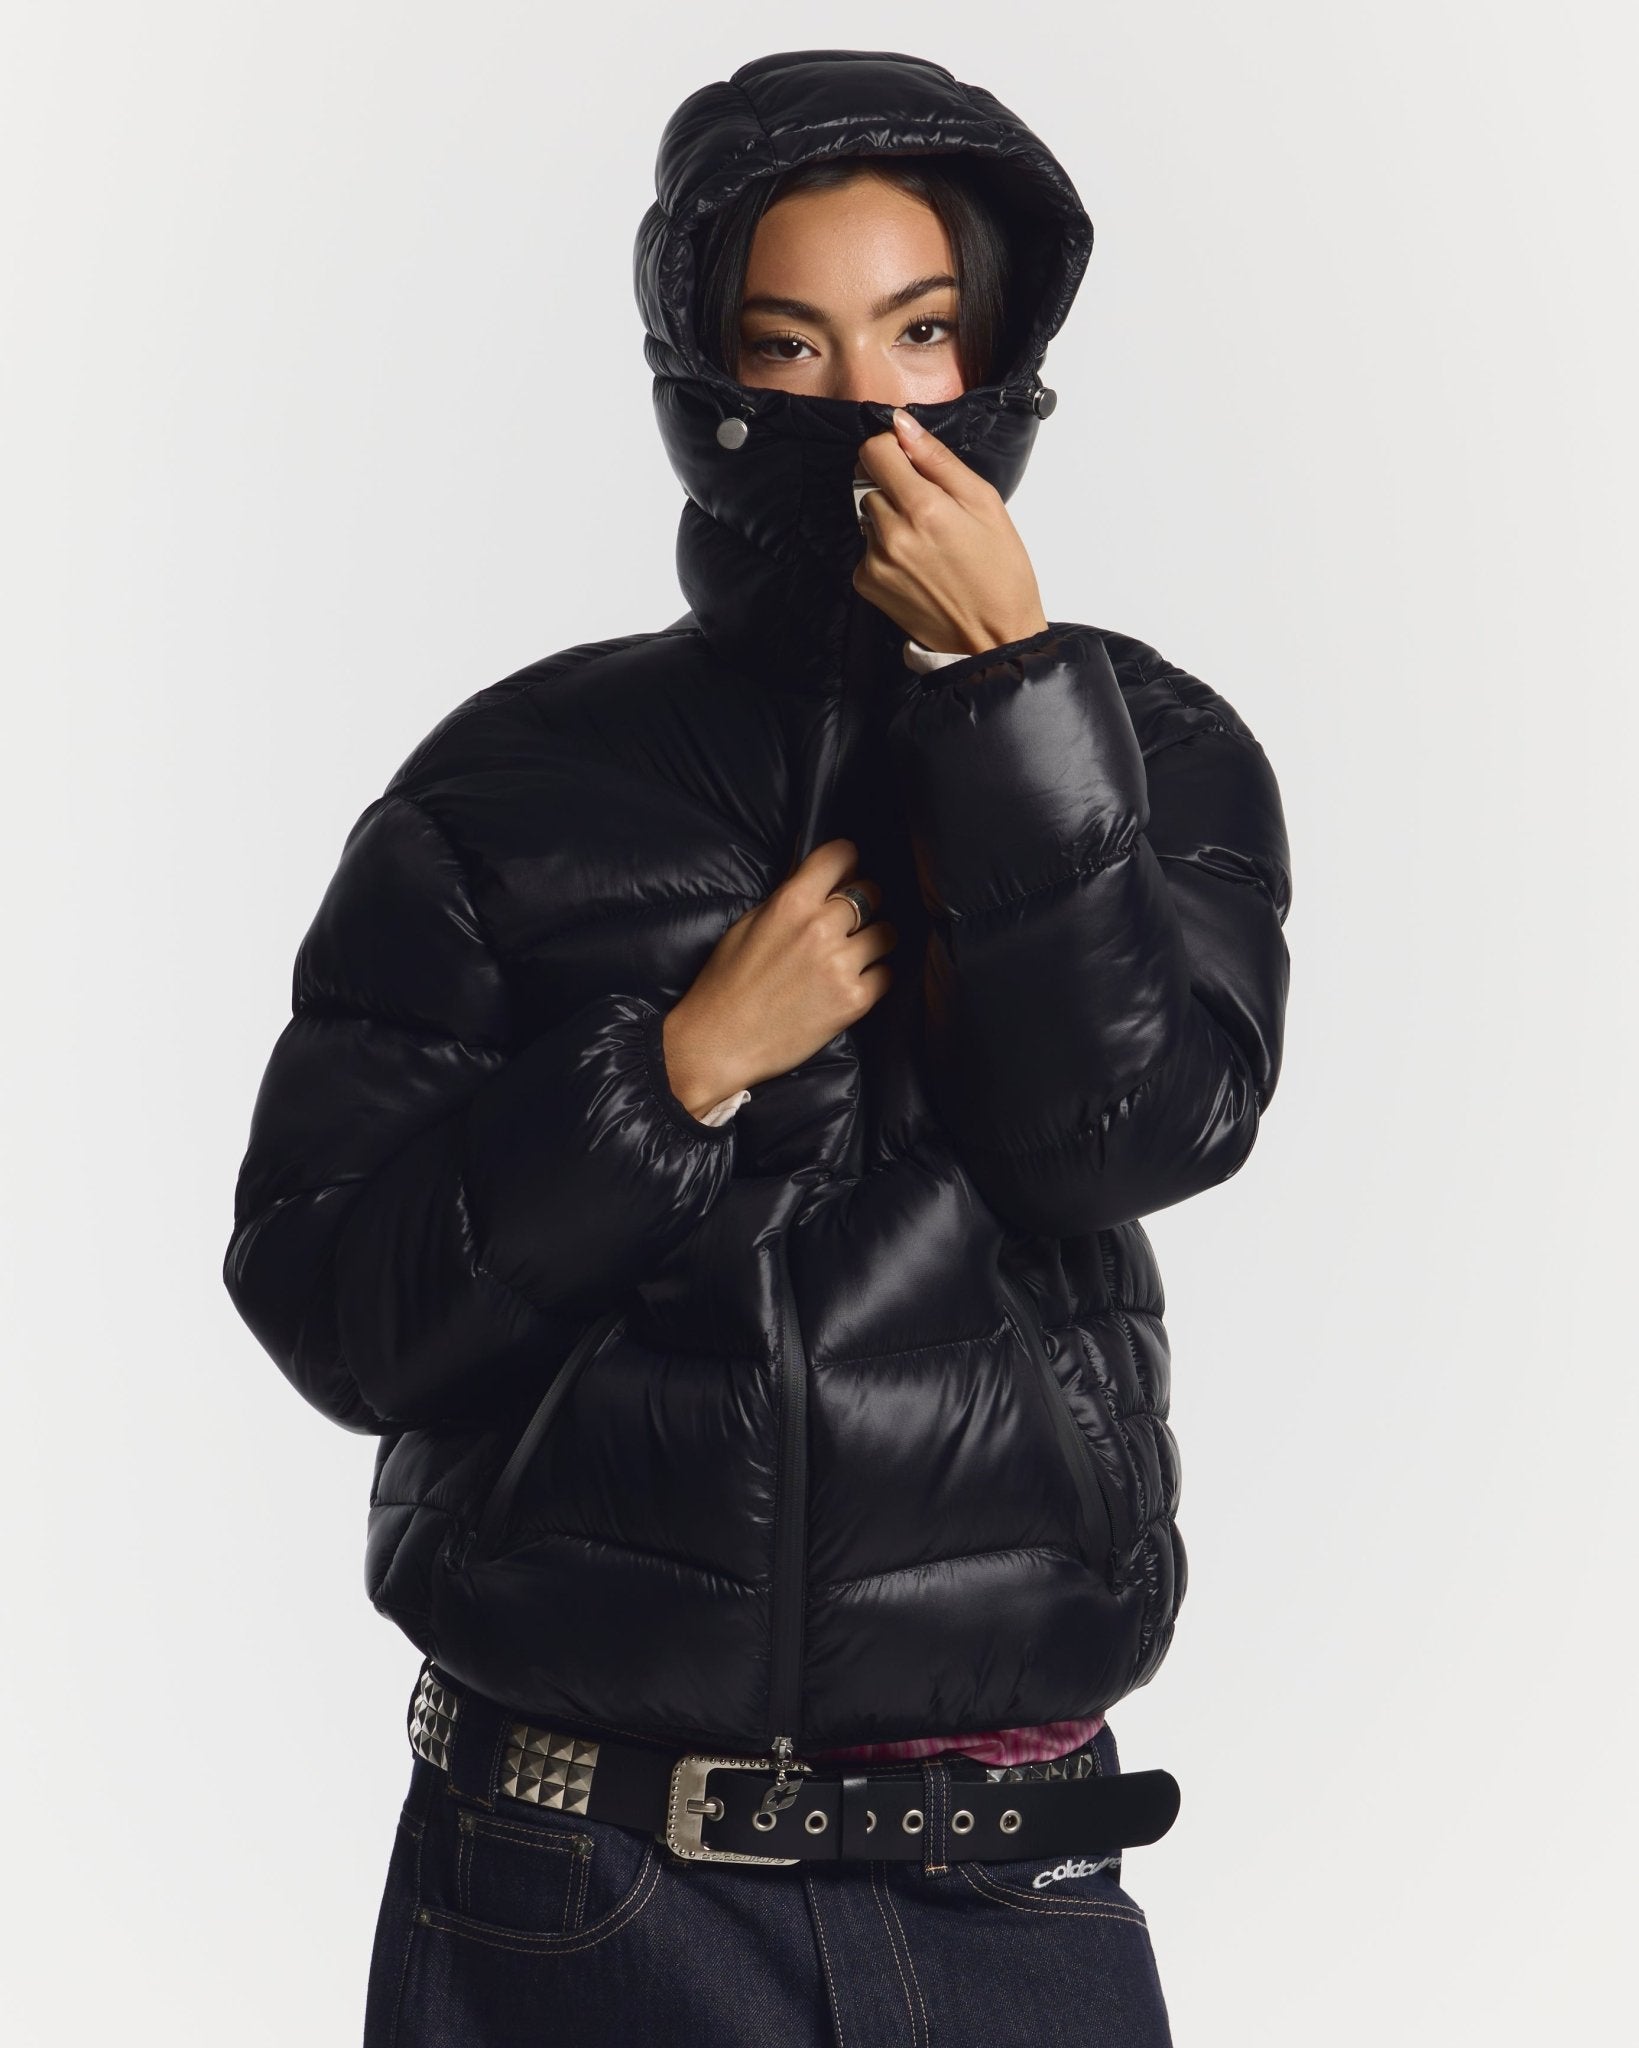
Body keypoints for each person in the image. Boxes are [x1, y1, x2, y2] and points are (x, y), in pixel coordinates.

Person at [223, 47, 1292, 2048]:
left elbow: (1131, 1131)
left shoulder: (1143, 753)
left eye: (920, 333)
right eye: (789, 346)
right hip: (571, 1878)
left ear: (1001, 359)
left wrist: (1008, 693)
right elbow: (336, 1310)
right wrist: (677, 1070)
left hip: (1006, 1873)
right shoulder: (510, 788)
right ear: (699, 379)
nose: (868, 406)